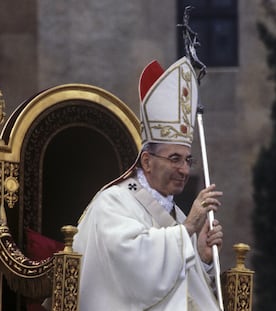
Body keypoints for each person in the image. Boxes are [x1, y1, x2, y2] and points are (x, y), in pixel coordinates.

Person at [72, 57, 224, 310]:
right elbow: (133, 270)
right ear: (147, 161)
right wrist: (186, 230)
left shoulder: (175, 213)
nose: (184, 170)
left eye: (188, 160)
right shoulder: (112, 202)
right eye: (174, 159)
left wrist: (202, 256)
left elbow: (184, 289)